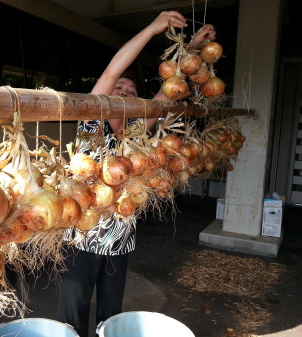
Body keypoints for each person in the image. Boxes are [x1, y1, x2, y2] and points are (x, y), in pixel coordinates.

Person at [56, 11, 216, 337]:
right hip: (81, 241)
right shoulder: (91, 126)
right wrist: (153, 29)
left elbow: (169, 89)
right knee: (70, 319)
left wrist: (193, 52)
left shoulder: (135, 130)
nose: (126, 91)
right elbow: (113, 68)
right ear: (105, 94)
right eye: (120, 87)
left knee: (111, 319)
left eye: (131, 90)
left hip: (120, 241)